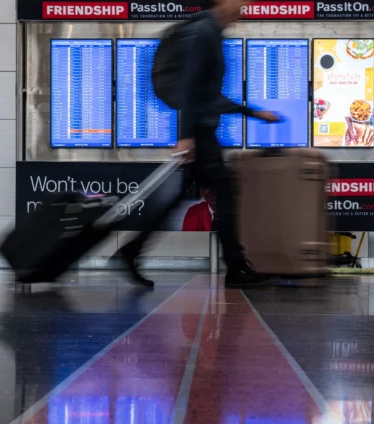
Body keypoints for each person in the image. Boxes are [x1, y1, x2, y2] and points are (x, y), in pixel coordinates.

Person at [117, 0, 280, 288]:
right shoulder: (204, 33)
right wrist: (186, 135)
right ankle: (237, 267)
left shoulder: (211, 33)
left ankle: (132, 250)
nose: (244, 8)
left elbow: (208, 95)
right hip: (200, 133)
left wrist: (252, 113)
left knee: (180, 198)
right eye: (240, 2)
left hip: (202, 130)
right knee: (225, 193)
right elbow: (190, 87)